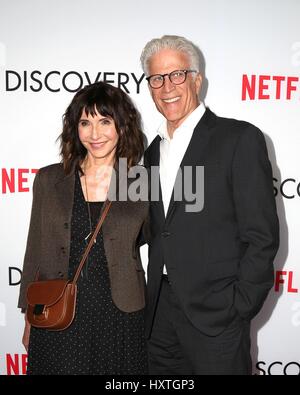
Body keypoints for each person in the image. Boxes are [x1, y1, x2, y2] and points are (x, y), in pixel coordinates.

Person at [141, 35, 279, 375]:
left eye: (176, 75)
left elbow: (261, 235)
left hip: (217, 315)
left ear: (197, 79)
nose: (166, 87)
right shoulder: (151, 152)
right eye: (156, 78)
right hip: (158, 314)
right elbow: (150, 228)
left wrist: (239, 304)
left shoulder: (238, 138)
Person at [18, 81, 149, 375]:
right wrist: (29, 319)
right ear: (74, 129)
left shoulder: (141, 181)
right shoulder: (49, 179)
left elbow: (166, 236)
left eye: (105, 121)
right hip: (58, 311)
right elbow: (34, 251)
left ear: (122, 126)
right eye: (85, 122)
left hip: (120, 316)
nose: (95, 133)